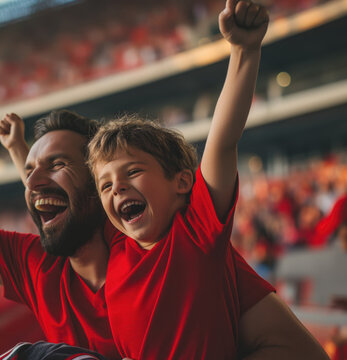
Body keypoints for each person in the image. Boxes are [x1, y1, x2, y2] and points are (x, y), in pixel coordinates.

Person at [0, 6, 326, 360]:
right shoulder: (37, 269)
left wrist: (242, 55)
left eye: (59, 165)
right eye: (28, 170)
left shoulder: (176, 243)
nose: (32, 179)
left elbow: (293, 349)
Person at [84, 0, 328, 358]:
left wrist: (244, 51)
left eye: (132, 171)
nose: (116, 187)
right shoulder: (115, 249)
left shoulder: (196, 232)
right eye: (105, 185)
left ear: (183, 183)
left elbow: (223, 140)